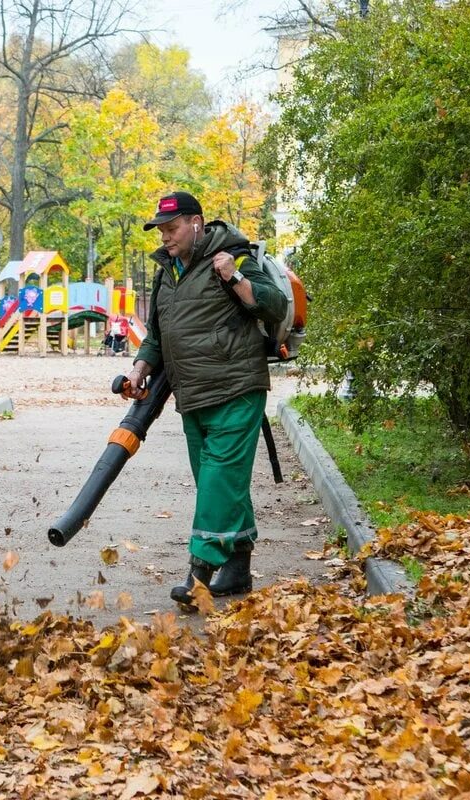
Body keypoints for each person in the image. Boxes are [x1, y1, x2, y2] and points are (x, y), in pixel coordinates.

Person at [122, 191, 288, 609]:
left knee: (216, 482)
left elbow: (274, 305)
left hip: (236, 390)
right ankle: (238, 571)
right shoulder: (167, 272)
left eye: (172, 228)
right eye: (161, 230)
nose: (165, 237)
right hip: (193, 396)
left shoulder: (233, 256)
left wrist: (235, 276)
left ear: (196, 223)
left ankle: (198, 572)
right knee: (220, 486)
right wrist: (141, 366)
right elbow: (159, 335)